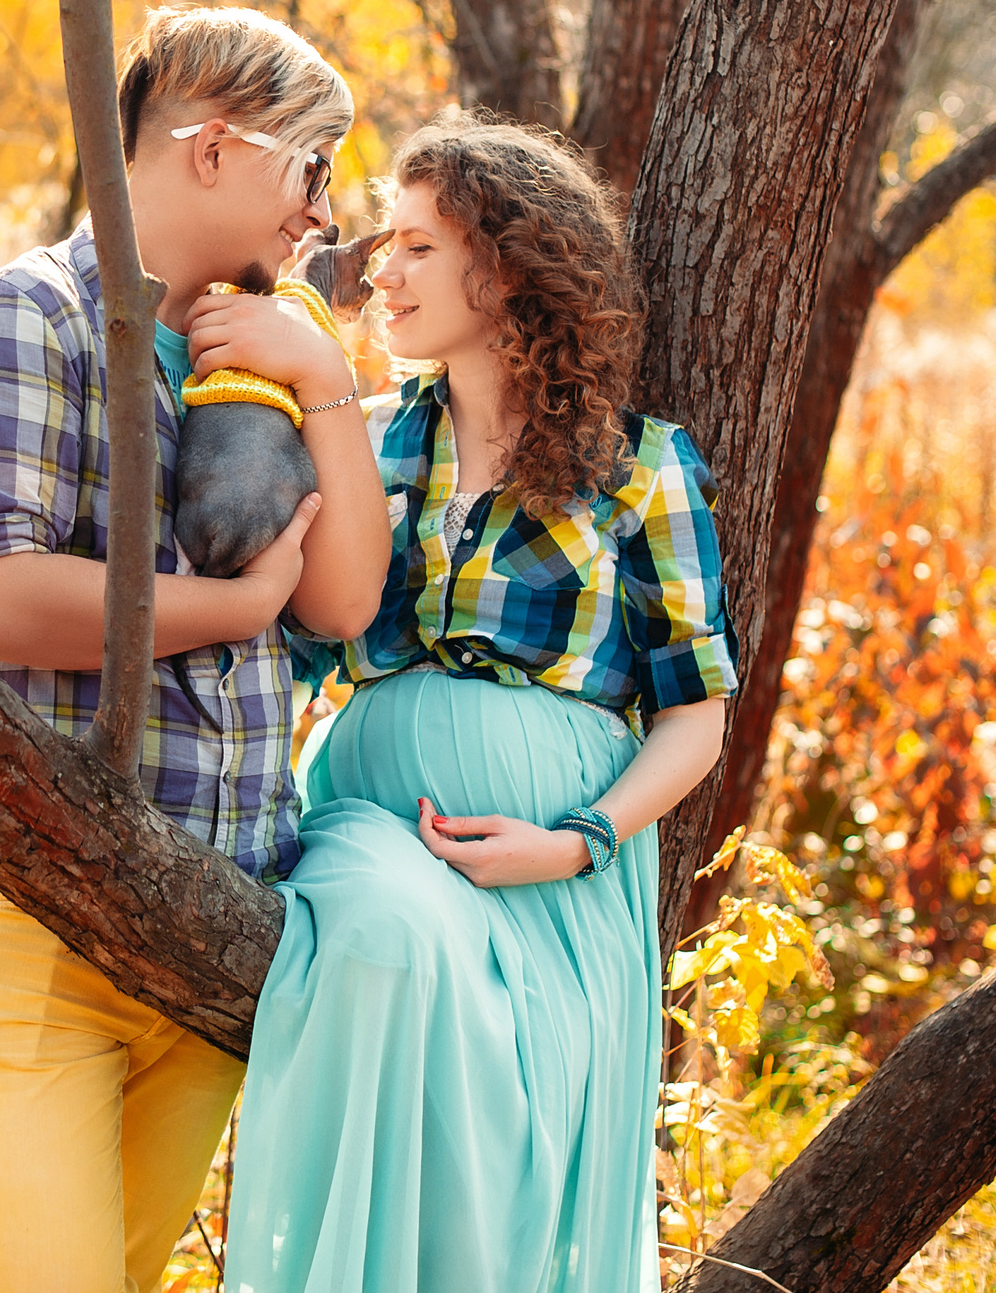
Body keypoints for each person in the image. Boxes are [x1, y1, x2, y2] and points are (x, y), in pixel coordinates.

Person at [0, 6, 391, 1293]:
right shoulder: (31, 317)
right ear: (214, 147)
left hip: (220, 916)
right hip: (40, 907)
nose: (322, 211)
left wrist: (325, 374)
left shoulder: (273, 345)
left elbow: (342, 602)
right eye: (311, 167)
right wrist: (228, 610)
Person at [224, 111, 739, 1293]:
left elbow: (693, 714)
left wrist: (575, 840)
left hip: (561, 880)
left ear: (506, 266)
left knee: (506, 1160)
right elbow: (290, 644)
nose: (381, 271)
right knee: (381, 941)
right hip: (375, 820)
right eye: (384, 244)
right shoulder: (362, 441)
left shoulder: (642, 465)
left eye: (417, 245)